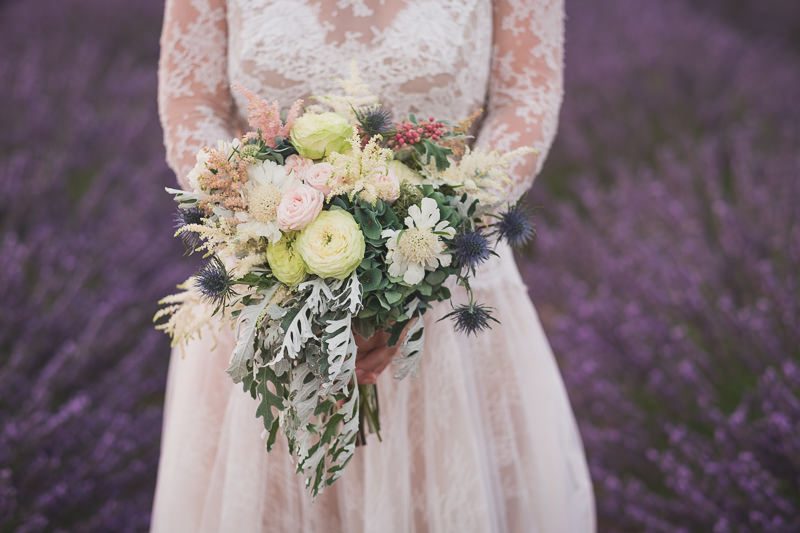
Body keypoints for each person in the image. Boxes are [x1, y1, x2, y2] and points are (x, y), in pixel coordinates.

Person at [151, 1, 595, 531]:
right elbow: (192, 105)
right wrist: (268, 228)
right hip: (268, 299)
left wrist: (428, 254)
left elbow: (524, 102)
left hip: (447, 302)